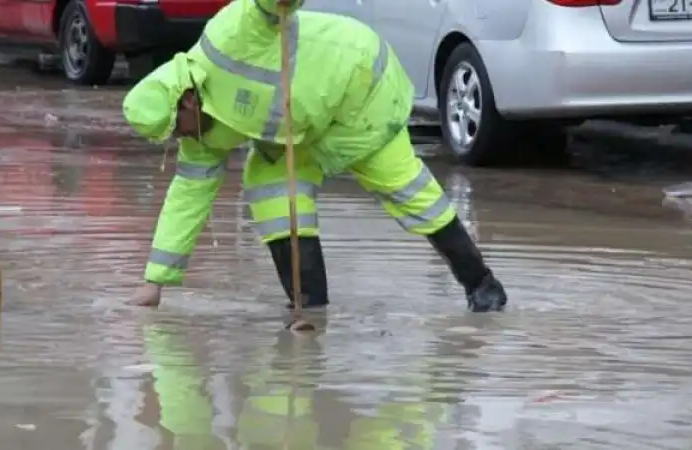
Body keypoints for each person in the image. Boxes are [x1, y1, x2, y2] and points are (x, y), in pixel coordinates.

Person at [122, 0, 508, 312]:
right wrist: (154, 283)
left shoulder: (226, 37)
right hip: (303, 131)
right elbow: (186, 200)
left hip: (360, 90)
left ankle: (482, 286)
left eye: (176, 126)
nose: (179, 137)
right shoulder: (200, 135)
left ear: (186, 98)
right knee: (269, 187)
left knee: (405, 186)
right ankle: (310, 307)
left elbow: (261, 8)